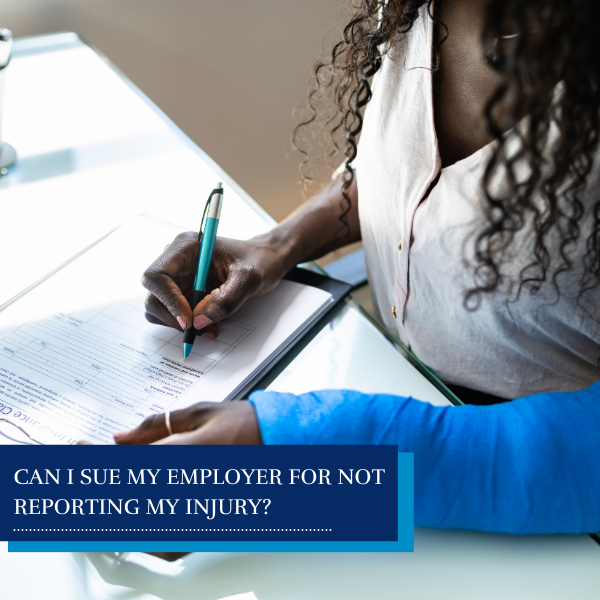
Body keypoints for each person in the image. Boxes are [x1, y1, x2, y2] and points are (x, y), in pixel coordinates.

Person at [114, 0, 600, 534]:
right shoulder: (411, 7)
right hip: (394, 378)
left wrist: (303, 455)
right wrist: (281, 242)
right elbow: (409, 172)